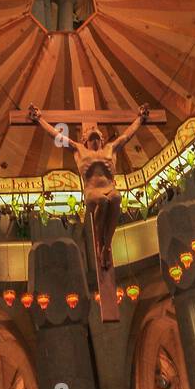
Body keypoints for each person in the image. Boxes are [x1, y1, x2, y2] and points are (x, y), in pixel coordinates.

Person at [27, 102, 150, 270]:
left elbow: (127, 135)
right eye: (88, 134)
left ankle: (107, 246)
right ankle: (100, 245)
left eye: (96, 134)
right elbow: (56, 135)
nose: (91, 129)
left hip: (109, 187)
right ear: (83, 139)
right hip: (92, 192)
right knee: (103, 202)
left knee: (116, 197)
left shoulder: (110, 148)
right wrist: (40, 119)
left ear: (102, 138)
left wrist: (140, 119)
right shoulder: (78, 150)